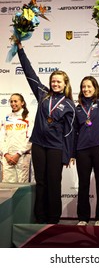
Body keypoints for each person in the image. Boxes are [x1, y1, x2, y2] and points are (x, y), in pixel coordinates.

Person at [16, 42, 76, 224]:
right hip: (39, 146)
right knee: (40, 183)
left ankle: (53, 219)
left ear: (65, 84)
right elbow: (30, 74)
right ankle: (39, 217)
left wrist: (68, 155)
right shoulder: (43, 94)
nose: (55, 83)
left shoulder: (69, 105)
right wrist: (20, 50)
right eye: (53, 81)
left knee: (54, 184)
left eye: (58, 81)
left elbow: (69, 133)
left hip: (56, 148)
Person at [73, 59, 99, 227]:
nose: (86, 89)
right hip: (82, 149)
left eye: (89, 86)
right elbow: (74, 132)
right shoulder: (77, 108)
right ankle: (83, 217)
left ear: (95, 88)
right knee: (83, 184)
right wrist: (71, 153)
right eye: (84, 87)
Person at [0, 93, 32, 183]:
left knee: (22, 186)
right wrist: (6, 154)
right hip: (7, 157)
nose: (13, 103)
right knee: (8, 185)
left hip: (22, 156)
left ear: (22, 103)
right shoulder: (6, 118)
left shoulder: (29, 117)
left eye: (15, 101)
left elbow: (30, 138)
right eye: (11, 101)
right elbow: (1, 137)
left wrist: (18, 154)